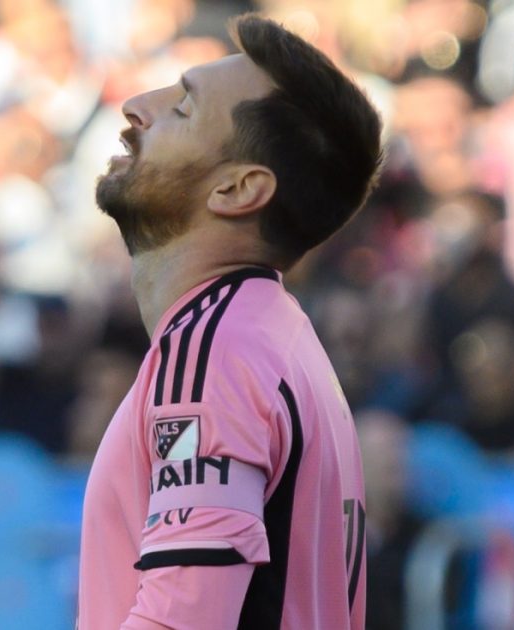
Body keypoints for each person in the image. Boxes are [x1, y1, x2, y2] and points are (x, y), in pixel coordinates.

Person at [78, 15, 382, 630]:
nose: (136, 107)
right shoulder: (268, 338)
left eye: (182, 107)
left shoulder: (214, 348)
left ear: (238, 189)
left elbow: (181, 620)